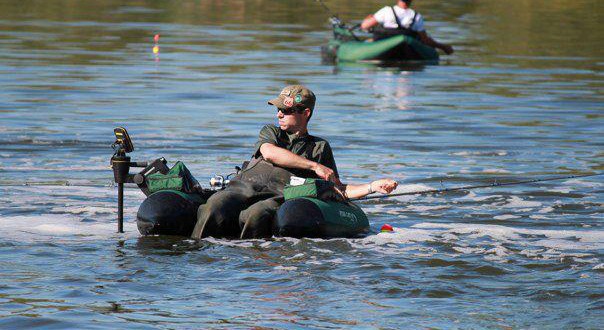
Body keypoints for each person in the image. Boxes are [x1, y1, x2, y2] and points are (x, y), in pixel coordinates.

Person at [191, 85, 398, 239]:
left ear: (305, 113)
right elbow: (270, 153)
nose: (279, 113)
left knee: (258, 213)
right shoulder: (270, 132)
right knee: (215, 204)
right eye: (278, 109)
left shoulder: (319, 147)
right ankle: (199, 251)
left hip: (277, 197)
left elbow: (337, 189)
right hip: (243, 188)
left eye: (286, 110)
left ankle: (250, 261)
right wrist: (314, 166)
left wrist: (372, 186)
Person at [360, 0, 454, 55]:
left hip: (383, 47)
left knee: (369, 41)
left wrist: (368, 19)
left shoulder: (386, 11)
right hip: (407, 50)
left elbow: (364, 26)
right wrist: (443, 47)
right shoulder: (416, 16)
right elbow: (425, 40)